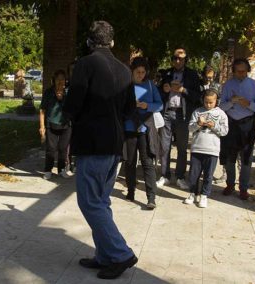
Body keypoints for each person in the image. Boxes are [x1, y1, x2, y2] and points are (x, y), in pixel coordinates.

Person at [63, 21, 138, 279]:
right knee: (101, 202)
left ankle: (120, 254)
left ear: (89, 42)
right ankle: (104, 256)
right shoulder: (125, 70)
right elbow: (130, 109)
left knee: (89, 202)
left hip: (93, 144)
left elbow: (73, 104)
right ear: (112, 42)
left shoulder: (86, 64)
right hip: (114, 145)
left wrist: (69, 114)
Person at [156, 47, 202, 190]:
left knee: (182, 147)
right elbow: (158, 93)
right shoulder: (167, 73)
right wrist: (163, 90)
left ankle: (180, 176)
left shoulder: (192, 75)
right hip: (167, 113)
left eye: (180, 58)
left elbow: (198, 97)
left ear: (185, 60)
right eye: (175, 58)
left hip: (183, 114)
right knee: (164, 146)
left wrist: (183, 90)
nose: (177, 60)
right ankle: (165, 175)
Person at [219, 58, 255, 200]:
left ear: (248, 70)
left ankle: (243, 188)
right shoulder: (227, 85)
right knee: (229, 157)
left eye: (244, 71)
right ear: (234, 71)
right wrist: (231, 102)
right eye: (238, 71)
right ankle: (230, 184)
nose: (241, 74)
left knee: (246, 158)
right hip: (231, 123)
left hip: (247, 125)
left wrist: (248, 104)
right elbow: (220, 107)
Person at [124, 56, 163, 209]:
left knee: (147, 162)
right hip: (129, 127)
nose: (140, 75)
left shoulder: (150, 85)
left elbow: (159, 105)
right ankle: (130, 190)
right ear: (132, 72)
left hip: (145, 128)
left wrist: (147, 105)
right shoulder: (126, 86)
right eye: (137, 72)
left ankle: (151, 197)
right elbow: (119, 106)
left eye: (143, 72)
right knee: (130, 161)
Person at [185, 89, 228, 208]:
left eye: (211, 102)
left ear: (216, 101)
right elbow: (190, 128)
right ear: (202, 100)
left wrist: (214, 126)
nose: (208, 105)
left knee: (208, 175)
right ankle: (192, 193)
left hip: (212, 150)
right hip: (197, 148)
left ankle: (204, 195)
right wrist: (198, 124)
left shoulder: (221, 114)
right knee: (194, 174)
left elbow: (225, 131)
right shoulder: (197, 112)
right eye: (206, 102)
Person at [39, 69, 72, 180]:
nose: (60, 82)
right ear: (54, 80)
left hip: (66, 125)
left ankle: (61, 170)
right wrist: (42, 126)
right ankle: (48, 170)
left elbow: (72, 109)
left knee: (63, 148)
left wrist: (62, 98)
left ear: (65, 81)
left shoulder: (69, 92)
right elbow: (42, 110)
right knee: (51, 149)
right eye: (58, 79)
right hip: (51, 124)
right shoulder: (48, 92)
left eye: (62, 79)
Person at [200, 65, 226, 184]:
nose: (209, 80)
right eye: (207, 77)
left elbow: (220, 101)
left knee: (217, 147)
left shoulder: (218, 86)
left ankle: (223, 173)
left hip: (215, 118)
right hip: (201, 116)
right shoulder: (198, 85)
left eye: (211, 77)